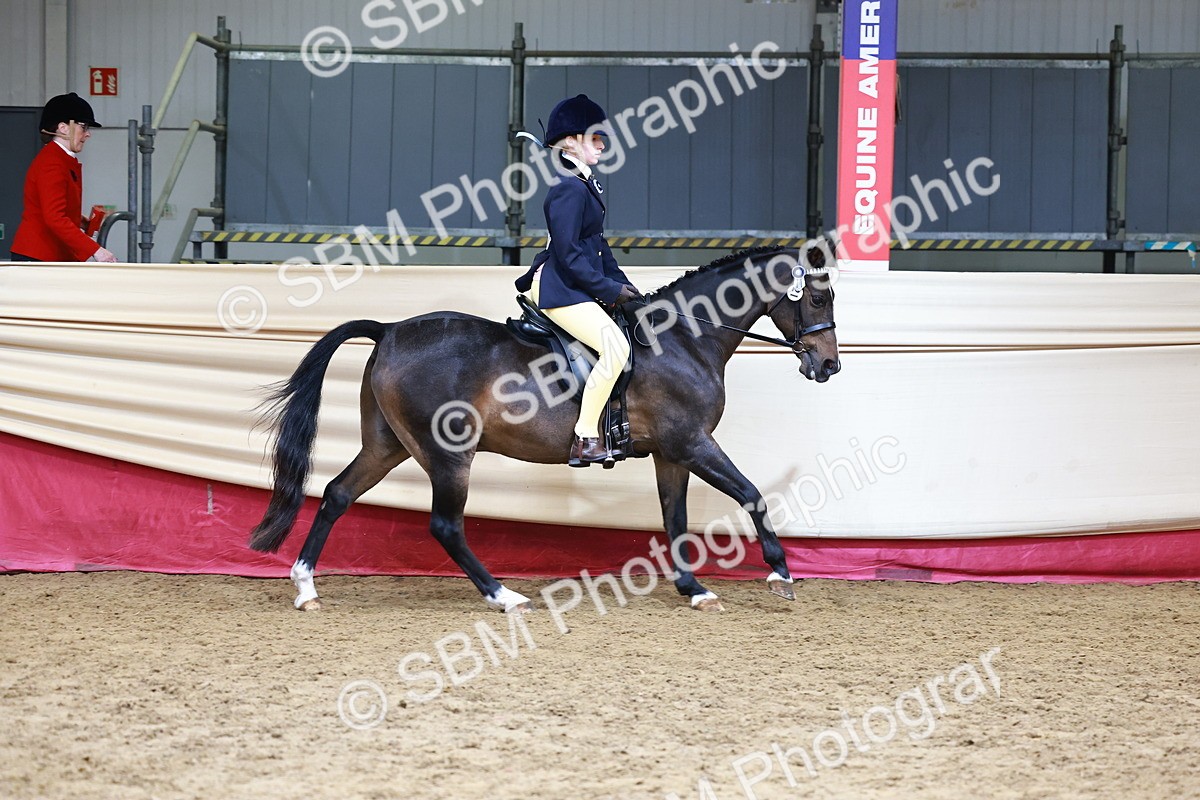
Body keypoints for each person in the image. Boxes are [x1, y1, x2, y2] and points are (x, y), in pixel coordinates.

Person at [514, 94, 642, 467]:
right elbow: (568, 255)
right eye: (595, 138)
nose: (602, 145)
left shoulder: (584, 185)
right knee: (616, 348)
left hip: (570, 280)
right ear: (571, 142)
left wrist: (625, 288)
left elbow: (597, 249)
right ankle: (585, 436)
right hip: (558, 285)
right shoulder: (568, 189)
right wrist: (608, 290)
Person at [10, 92, 117, 263]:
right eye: (84, 127)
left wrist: (80, 220)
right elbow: (54, 217)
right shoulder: (53, 162)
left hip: (47, 254)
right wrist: (96, 250)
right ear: (63, 128)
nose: (87, 134)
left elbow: (54, 207)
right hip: (40, 254)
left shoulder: (60, 159)